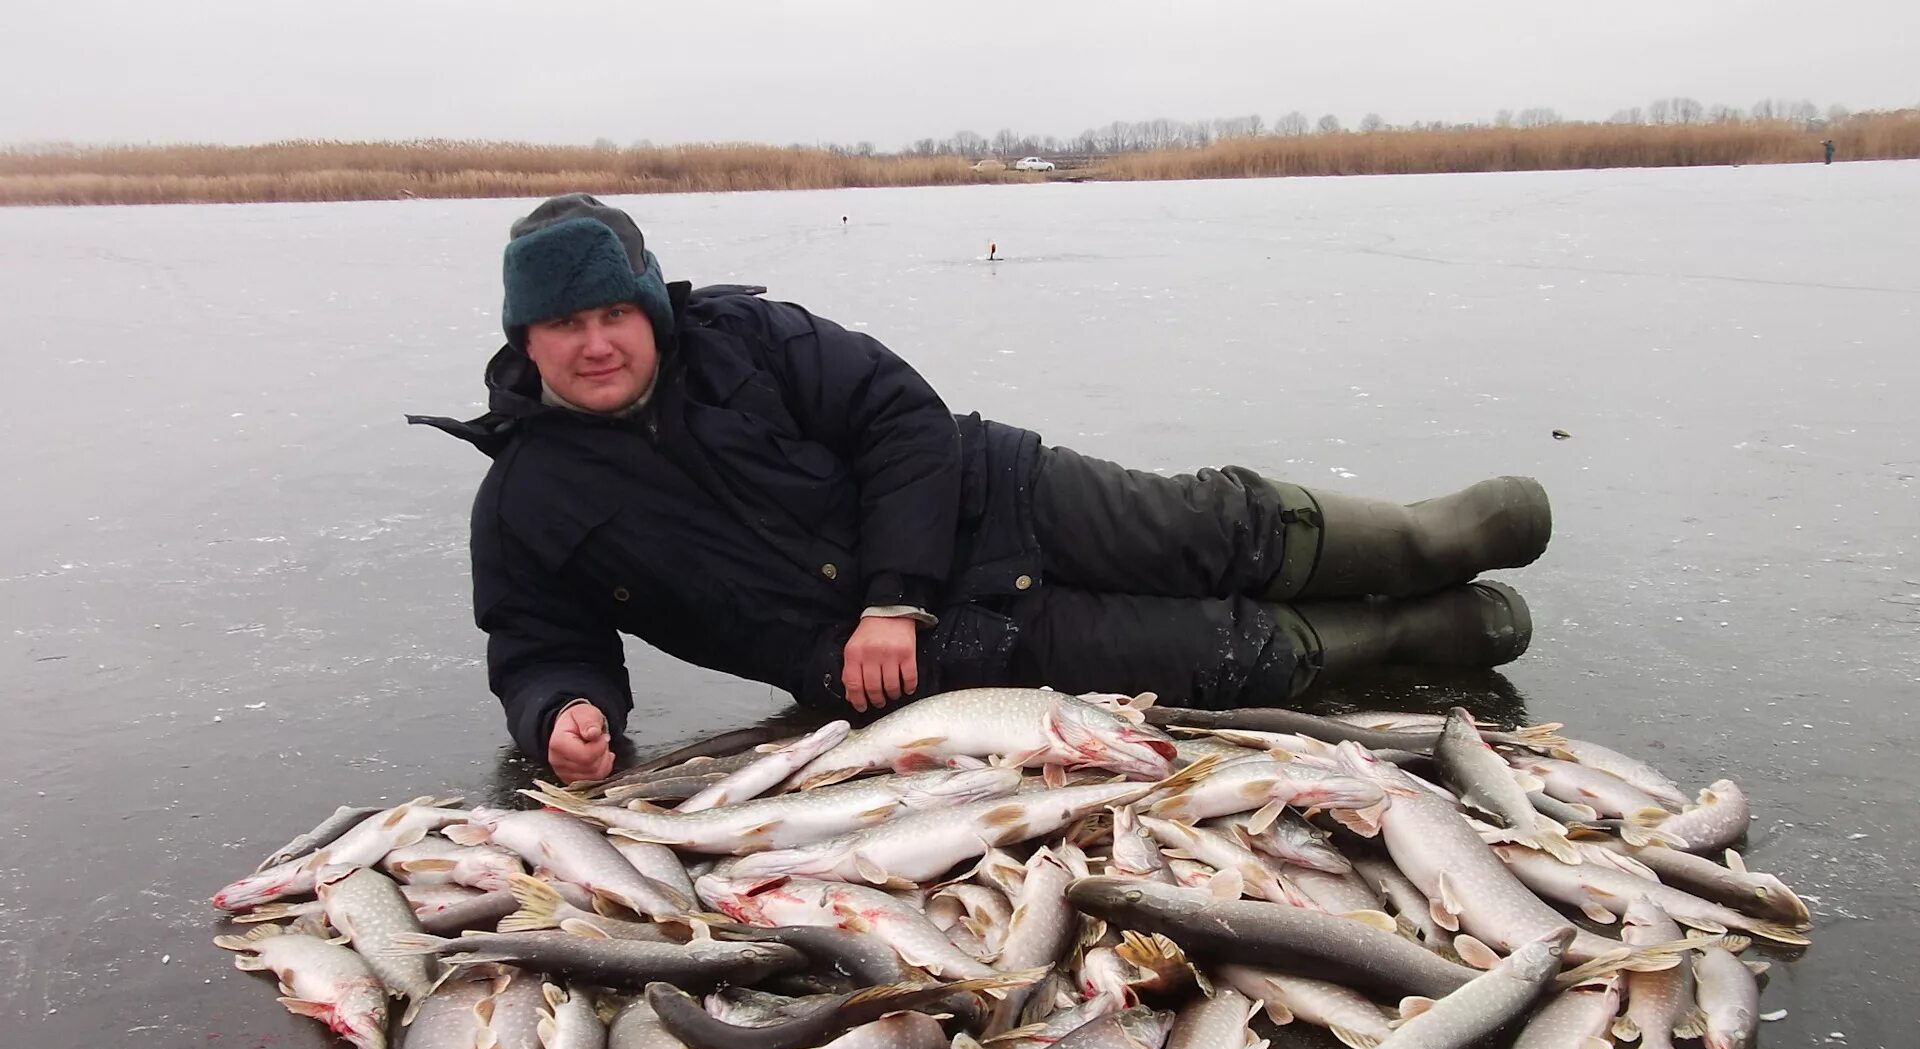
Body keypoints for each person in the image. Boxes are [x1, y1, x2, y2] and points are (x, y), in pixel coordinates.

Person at [412, 195, 1551, 783]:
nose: (597, 342)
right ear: (528, 336)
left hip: (987, 499)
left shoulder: (744, 337)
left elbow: (900, 417)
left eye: (614, 312)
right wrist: (565, 714)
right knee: (1208, 657)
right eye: (567, 323)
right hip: (925, 666)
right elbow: (539, 639)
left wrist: (891, 592)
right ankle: (1418, 627)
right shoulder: (527, 501)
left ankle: (1422, 539)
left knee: (1210, 528)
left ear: (650, 306)